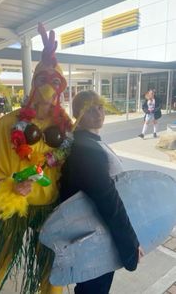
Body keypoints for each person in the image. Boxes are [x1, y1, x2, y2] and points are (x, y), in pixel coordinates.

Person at [0, 23, 72, 294]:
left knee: (51, 276)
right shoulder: (8, 124)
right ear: (33, 83)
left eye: (55, 81)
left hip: (50, 209)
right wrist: (12, 185)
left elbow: (73, 169)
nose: (48, 87)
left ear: (61, 87)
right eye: (42, 79)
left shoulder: (65, 127)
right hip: (14, 204)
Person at [59, 90, 144, 294]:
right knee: (94, 288)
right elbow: (108, 199)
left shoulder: (85, 141)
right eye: (90, 109)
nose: (98, 113)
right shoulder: (86, 148)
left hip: (94, 231)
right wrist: (129, 243)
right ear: (78, 114)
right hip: (96, 234)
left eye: (100, 107)